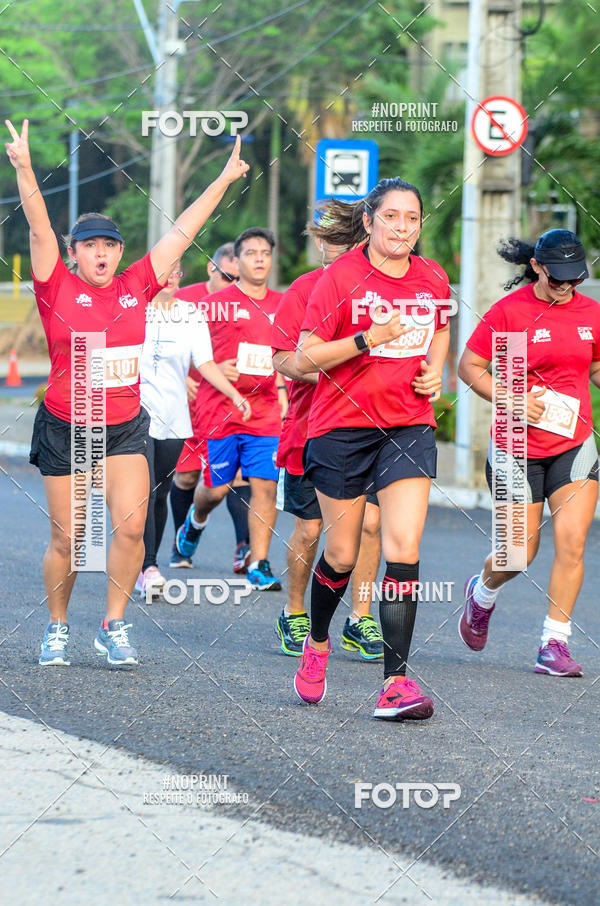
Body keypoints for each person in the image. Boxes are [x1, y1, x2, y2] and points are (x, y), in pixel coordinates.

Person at [5, 118, 249, 667]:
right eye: (90, 246)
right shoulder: (56, 286)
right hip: (67, 426)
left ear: (119, 253)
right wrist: (24, 169)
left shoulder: (137, 284)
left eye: (109, 246)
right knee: (70, 540)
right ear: (74, 254)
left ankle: (112, 623)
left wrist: (224, 179)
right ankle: (58, 625)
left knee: (133, 526)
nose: (101, 254)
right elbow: (40, 230)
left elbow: (182, 232)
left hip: (123, 427)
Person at [293, 178, 451, 720]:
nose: (402, 228)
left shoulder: (432, 277)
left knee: (402, 547)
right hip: (340, 429)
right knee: (340, 553)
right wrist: (368, 340)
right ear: (369, 221)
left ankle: (395, 684)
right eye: (391, 217)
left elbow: (441, 326)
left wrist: (435, 370)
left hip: (408, 425)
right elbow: (305, 357)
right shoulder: (340, 280)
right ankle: (317, 645)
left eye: (411, 218)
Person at [457, 229, 600, 676]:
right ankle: (482, 595)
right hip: (516, 445)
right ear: (536, 266)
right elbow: (470, 367)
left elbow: (594, 366)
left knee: (573, 544)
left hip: (573, 443)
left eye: (573, 278)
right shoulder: (511, 313)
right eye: (556, 277)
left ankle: (553, 643)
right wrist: (510, 397)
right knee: (517, 554)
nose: (565, 286)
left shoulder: (591, 313)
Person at [271, 228, 384, 659]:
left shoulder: (380, 288)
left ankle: (361, 618)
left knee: (370, 525)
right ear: (321, 245)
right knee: (311, 529)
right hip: (311, 429)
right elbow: (282, 359)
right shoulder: (303, 290)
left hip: (371, 429)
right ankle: (294, 612)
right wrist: (335, 374)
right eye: (336, 243)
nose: (345, 253)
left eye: (353, 243)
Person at [175, 227, 284, 590]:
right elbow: (179, 347)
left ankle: (259, 562)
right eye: (250, 253)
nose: (258, 259)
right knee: (216, 491)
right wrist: (209, 370)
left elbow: (293, 354)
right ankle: (196, 517)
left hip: (265, 412)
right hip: (218, 409)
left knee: (265, 487)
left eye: (265, 253)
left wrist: (284, 392)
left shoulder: (283, 304)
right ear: (236, 262)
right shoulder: (210, 305)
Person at [136, 261, 250, 599]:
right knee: (142, 492)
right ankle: (146, 565)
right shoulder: (132, 309)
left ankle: (147, 562)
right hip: (134, 415)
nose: (171, 278)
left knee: (160, 490)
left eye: (176, 273)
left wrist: (233, 393)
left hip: (173, 416)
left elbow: (206, 363)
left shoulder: (191, 313)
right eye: (164, 272)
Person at [169, 244, 252, 573]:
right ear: (210, 269)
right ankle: (181, 546)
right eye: (227, 277)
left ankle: (245, 548)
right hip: (191, 405)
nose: (233, 284)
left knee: (239, 476)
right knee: (188, 475)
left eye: (238, 278)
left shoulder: (249, 303)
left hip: (233, 406)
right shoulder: (185, 301)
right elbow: (161, 345)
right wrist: (180, 379)